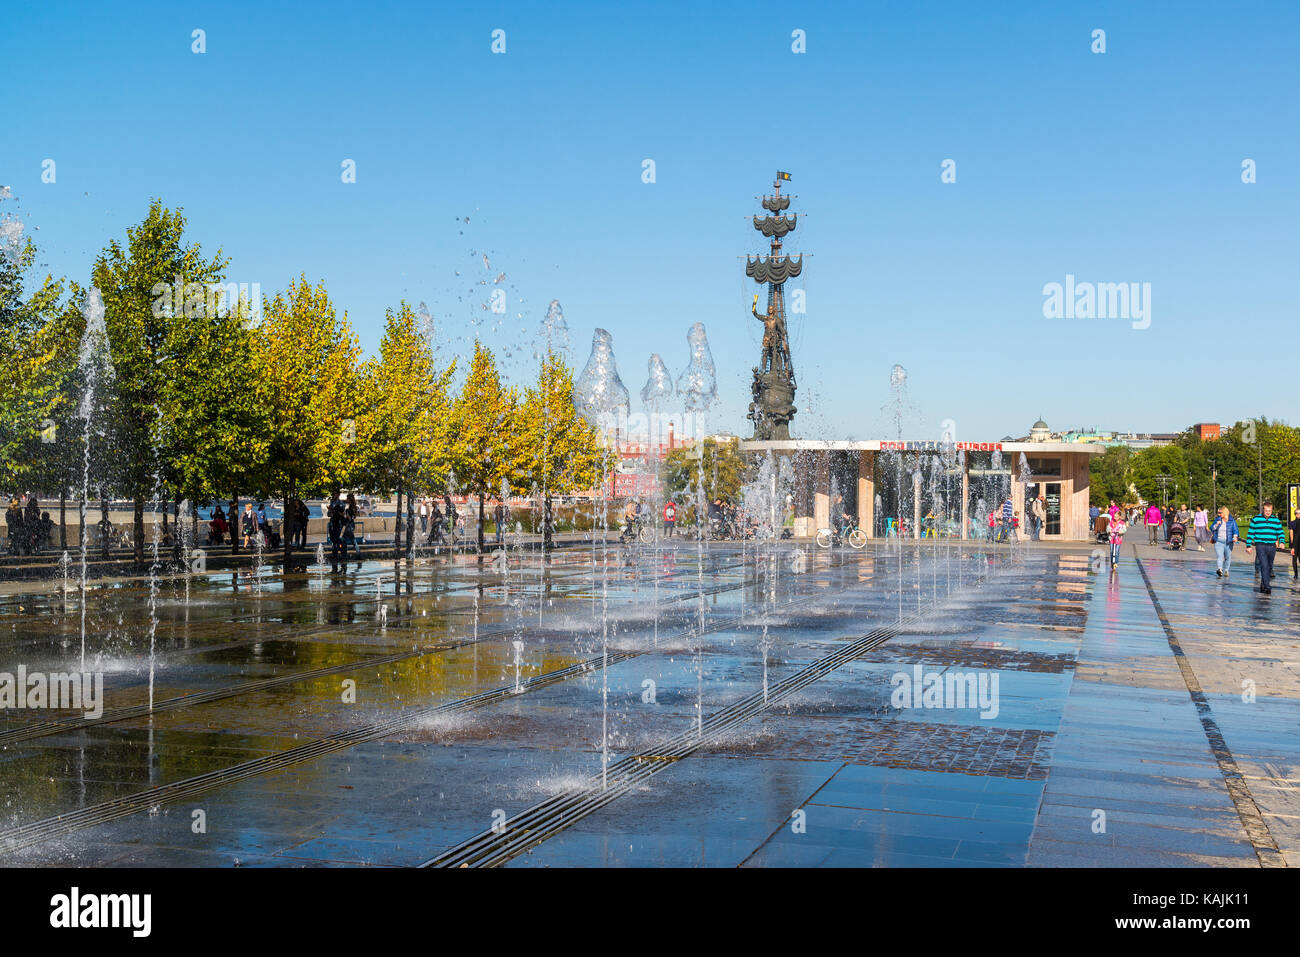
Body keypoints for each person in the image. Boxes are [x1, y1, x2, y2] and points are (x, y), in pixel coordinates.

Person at [1244, 502, 1287, 595]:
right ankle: (1267, 586)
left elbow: (1281, 532)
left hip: (1272, 546)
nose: (1268, 512)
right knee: (1264, 565)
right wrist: (1248, 546)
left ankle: (1263, 584)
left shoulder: (1276, 520)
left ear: (1272, 510)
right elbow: (1250, 533)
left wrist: (1282, 542)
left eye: (1270, 511)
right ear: (1263, 510)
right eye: (1266, 510)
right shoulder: (1256, 519)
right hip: (1260, 545)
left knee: (1270, 566)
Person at [1210, 506, 1239, 578]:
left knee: (1227, 557)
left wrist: (1235, 536)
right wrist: (1216, 524)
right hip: (1219, 541)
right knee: (1220, 556)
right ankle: (1220, 569)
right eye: (1218, 513)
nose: (1218, 514)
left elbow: (1235, 530)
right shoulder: (1217, 520)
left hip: (1228, 541)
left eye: (1220, 513)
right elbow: (1212, 528)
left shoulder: (1232, 521)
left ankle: (1226, 570)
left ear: (1225, 512)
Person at [1290, 509, 1300, 579]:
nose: (1298, 514)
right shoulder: (1292, 523)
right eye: (1297, 513)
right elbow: (1291, 534)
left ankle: (1296, 575)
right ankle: (1295, 574)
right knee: (1294, 559)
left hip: (1297, 543)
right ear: (1295, 514)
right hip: (1296, 543)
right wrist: (1293, 545)